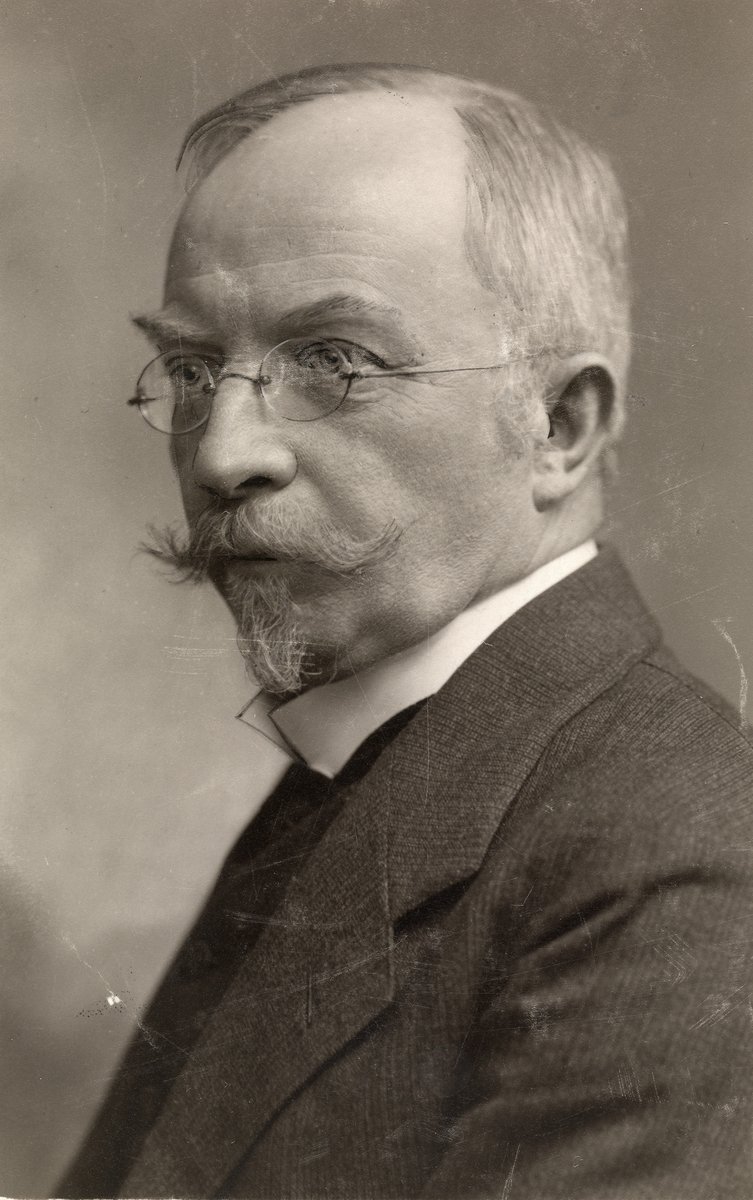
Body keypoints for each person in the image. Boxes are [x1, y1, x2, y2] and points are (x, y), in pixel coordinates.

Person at [58, 64, 753, 1199]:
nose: (222, 454)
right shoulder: (376, 762)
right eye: (191, 368)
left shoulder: (670, 858)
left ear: (559, 427)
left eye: (335, 363)